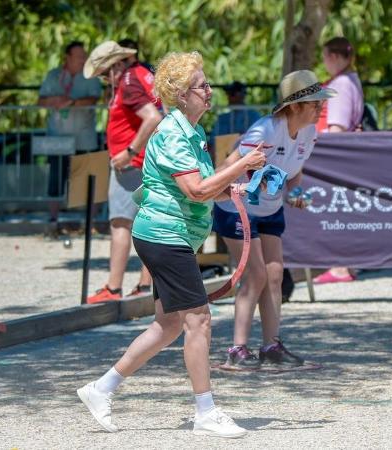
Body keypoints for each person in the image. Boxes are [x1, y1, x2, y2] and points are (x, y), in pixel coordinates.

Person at [77, 51, 266, 438]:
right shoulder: (173, 132)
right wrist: (239, 166)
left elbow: (203, 189)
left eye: (207, 84)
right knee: (198, 319)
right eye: (202, 86)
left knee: (167, 326)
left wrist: (232, 188)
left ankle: (101, 389)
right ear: (181, 94)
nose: (210, 91)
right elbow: (196, 190)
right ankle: (205, 412)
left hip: (168, 234)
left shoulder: (191, 131)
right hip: (165, 236)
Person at [212, 70, 336, 369]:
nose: (320, 107)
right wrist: (216, 191)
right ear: (293, 106)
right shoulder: (264, 131)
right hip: (237, 207)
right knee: (255, 275)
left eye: (320, 101)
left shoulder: (308, 132)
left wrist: (296, 193)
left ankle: (271, 346)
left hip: (269, 209)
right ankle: (237, 350)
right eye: (314, 102)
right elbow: (228, 166)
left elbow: (293, 172)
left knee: (276, 274)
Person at [83, 40, 162, 302]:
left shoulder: (128, 80)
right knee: (147, 223)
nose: (105, 80)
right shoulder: (142, 74)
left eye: (105, 73)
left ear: (117, 64)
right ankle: (143, 284)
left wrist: (129, 151)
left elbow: (152, 117)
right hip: (146, 161)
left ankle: (113, 287)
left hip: (131, 165)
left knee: (120, 223)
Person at [313, 36, 365, 285]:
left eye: (324, 57)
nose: (323, 62)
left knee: (335, 208)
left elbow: (338, 125)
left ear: (333, 57)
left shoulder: (342, 84)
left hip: (334, 153)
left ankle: (340, 265)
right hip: (344, 154)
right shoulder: (349, 80)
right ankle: (345, 262)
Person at [38, 41, 103, 224]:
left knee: (88, 179)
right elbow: (40, 101)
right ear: (67, 57)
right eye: (79, 56)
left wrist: (72, 103)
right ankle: (53, 219)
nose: (83, 59)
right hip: (57, 137)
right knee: (56, 177)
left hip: (85, 138)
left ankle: (90, 221)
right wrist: (56, 100)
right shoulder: (54, 75)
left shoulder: (90, 76)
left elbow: (93, 99)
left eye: (84, 55)